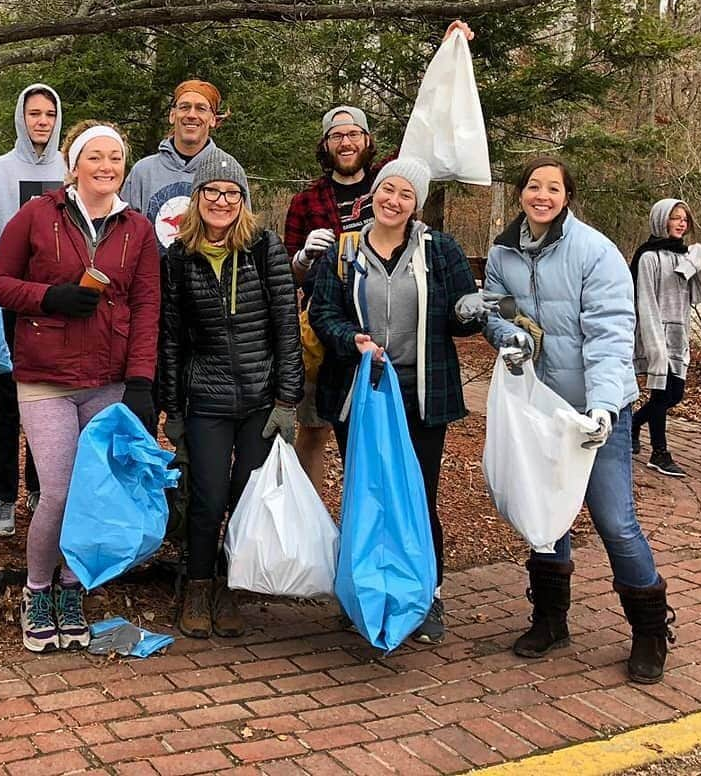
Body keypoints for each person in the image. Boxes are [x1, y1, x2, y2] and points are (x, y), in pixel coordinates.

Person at [483, 157, 672, 684]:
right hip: (540, 408)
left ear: (567, 196)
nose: (542, 195)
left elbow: (612, 335)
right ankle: (549, 621)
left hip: (595, 412)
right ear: (520, 193)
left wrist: (606, 407)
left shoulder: (595, 251)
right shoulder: (503, 252)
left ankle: (651, 631)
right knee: (547, 519)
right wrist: (508, 339)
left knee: (615, 521)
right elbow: (495, 313)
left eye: (553, 188)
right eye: (533, 186)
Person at [0, 120, 160, 652]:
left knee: (92, 493)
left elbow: (148, 307)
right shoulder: (39, 216)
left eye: (115, 158)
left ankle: (72, 585)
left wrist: (142, 381)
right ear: (73, 164)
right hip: (46, 377)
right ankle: (37, 588)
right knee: (57, 492)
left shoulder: (138, 228)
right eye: (95, 157)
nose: (106, 167)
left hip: (107, 380)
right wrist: (49, 298)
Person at [308, 157, 482, 645]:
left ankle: (427, 594)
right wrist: (354, 340)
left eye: (405, 194)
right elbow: (323, 312)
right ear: (373, 194)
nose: (393, 200)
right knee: (366, 491)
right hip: (361, 391)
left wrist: (473, 313)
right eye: (387, 189)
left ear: (416, 203)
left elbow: (460, 316)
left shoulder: (440, 249)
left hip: (422, 393)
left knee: (417, 496)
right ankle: (360, 590)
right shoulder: (344, 250)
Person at [160, 149, 304, 639]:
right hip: (206, 400)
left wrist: (287, 399)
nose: (222, 201)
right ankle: (198, 583)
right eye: (212, 192)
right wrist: (173, 409)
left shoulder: (265, 248)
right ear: (197, 198)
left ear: (243, 201)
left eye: (231, 193)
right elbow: (171, 339)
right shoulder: (179, 259)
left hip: (261, 400)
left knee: (246, 497)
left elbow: (287, 326)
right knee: (207, 497)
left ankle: (230, 585)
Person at [283, 103, 388, 490]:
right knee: (313, 428)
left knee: (374, 433)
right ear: (326, 145)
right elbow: (287, 273)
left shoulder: (387, 188)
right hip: (322, 331)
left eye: (353, 134)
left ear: (366, 140)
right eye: (337, 136)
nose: (346, 142)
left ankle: (366, 524)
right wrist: (304, 256)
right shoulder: (307, 201)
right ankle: (308, 523)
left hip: (382, 324)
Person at [0, 84, 66, 537]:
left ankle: (39, 485)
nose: (42, 121)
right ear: (21, 116)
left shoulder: (69, 167)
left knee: (48, 400)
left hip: (57, 304)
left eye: (49, 114)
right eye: (34, 113)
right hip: (12, 300)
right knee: (6, 401)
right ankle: (3, 498)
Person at [631, 199, 701, 476]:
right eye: (675, 218)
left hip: (679, 333)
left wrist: (700, 261)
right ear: (660, 220)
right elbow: (645, 303)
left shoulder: (684, 256)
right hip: (656, 332)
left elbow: (699, 296)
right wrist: (655, 348)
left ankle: (633, 424)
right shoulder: (648, 257)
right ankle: (659, 452)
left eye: (684, 219)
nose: (681, 223)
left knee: (675, 394)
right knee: (662, 394)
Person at [122, 79, 224, 252]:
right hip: (152, 277)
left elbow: (242, 237)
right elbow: (123, 237)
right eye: (184, 107)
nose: (191, 114)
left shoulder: (227, 171)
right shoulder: (143, 172)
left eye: (201, 108)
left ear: (213, 119)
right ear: (172, 115)